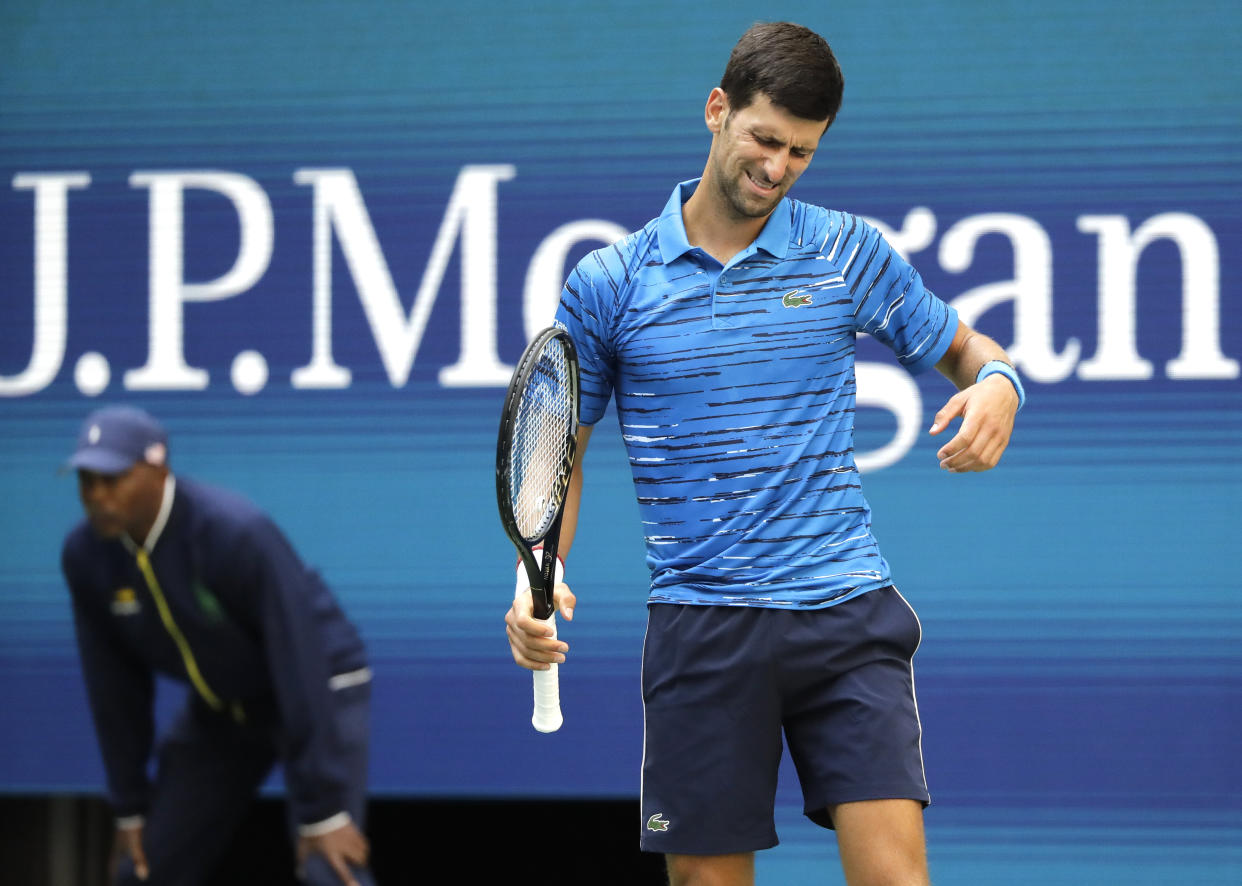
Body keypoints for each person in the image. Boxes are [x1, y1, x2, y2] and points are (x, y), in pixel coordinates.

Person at [504, 21, 1025, 886]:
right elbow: (564, 455)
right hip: (702, 629)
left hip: (847, 617)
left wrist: (1002, 381)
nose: (777, 167)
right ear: (718, 110)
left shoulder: (847, 250)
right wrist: (536, 577)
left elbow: (968, 350)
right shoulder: (610, 283)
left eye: (802, 152)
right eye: (764, 139)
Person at [61, 405, 377, 886]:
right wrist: (129, 807)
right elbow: (113, 689)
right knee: (141, 869)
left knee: (327, 866)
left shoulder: (232, 532)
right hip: (225, 706)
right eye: (87, 481)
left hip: (321, 684)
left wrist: (324, 808)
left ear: (158, 467)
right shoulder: (86, 557)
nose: (98, 495)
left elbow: (297, 654)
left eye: (114, 478)